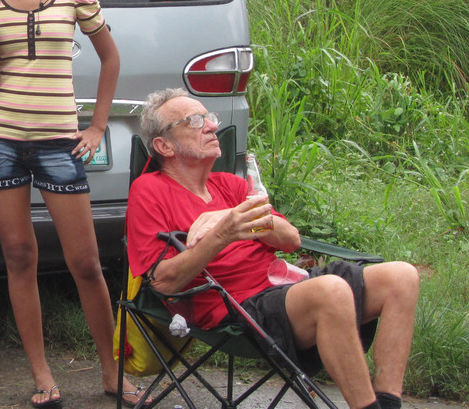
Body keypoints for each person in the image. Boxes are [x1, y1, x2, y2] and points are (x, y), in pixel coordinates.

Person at [127, 87, 420, 409]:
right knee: (331, 290)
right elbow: (162, 282)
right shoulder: (149, 191)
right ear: (164, 145)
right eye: (194, 121)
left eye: (209, 117)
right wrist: (222, 235)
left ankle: (388, 402)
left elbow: (290, 239)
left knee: (401, 276)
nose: (211, 126)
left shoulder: (231, 185)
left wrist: (228, 214)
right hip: (235, 308)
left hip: (284, 286)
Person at [0, 0, 140, 408]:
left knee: (85, 261)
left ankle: (112, 371)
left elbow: (110, 59)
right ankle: (43, 376)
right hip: (0, 139)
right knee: (19, 256)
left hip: (57, 141)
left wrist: (97, 126)